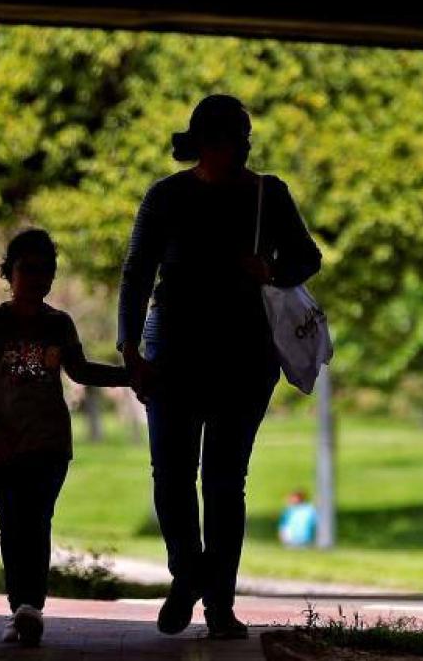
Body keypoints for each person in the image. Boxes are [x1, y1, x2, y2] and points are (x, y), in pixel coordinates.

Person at [119, 94, 322, 640]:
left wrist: (271, 268)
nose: (243, 147)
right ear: (206, 142)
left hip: (244, 356)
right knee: (173, 475)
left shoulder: (267, 194)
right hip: (175, 354)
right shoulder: (165, 196)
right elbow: (137, 274)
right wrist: (129, 348)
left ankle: (219, 606)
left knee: (226, 482)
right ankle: (189, 575)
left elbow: (308, 258)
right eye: (235, 137)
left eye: (245, 137)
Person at [0, 228, 129, 648]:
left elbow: (81, 371)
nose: (36, 278)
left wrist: (131, 376)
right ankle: (22, 608)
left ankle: (29, 608)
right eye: (27, 269)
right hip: (2, 445)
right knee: (11, 525)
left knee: (37, 521)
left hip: (50, 444)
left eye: (45, 270)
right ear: (9, 272)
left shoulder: (58, 324)